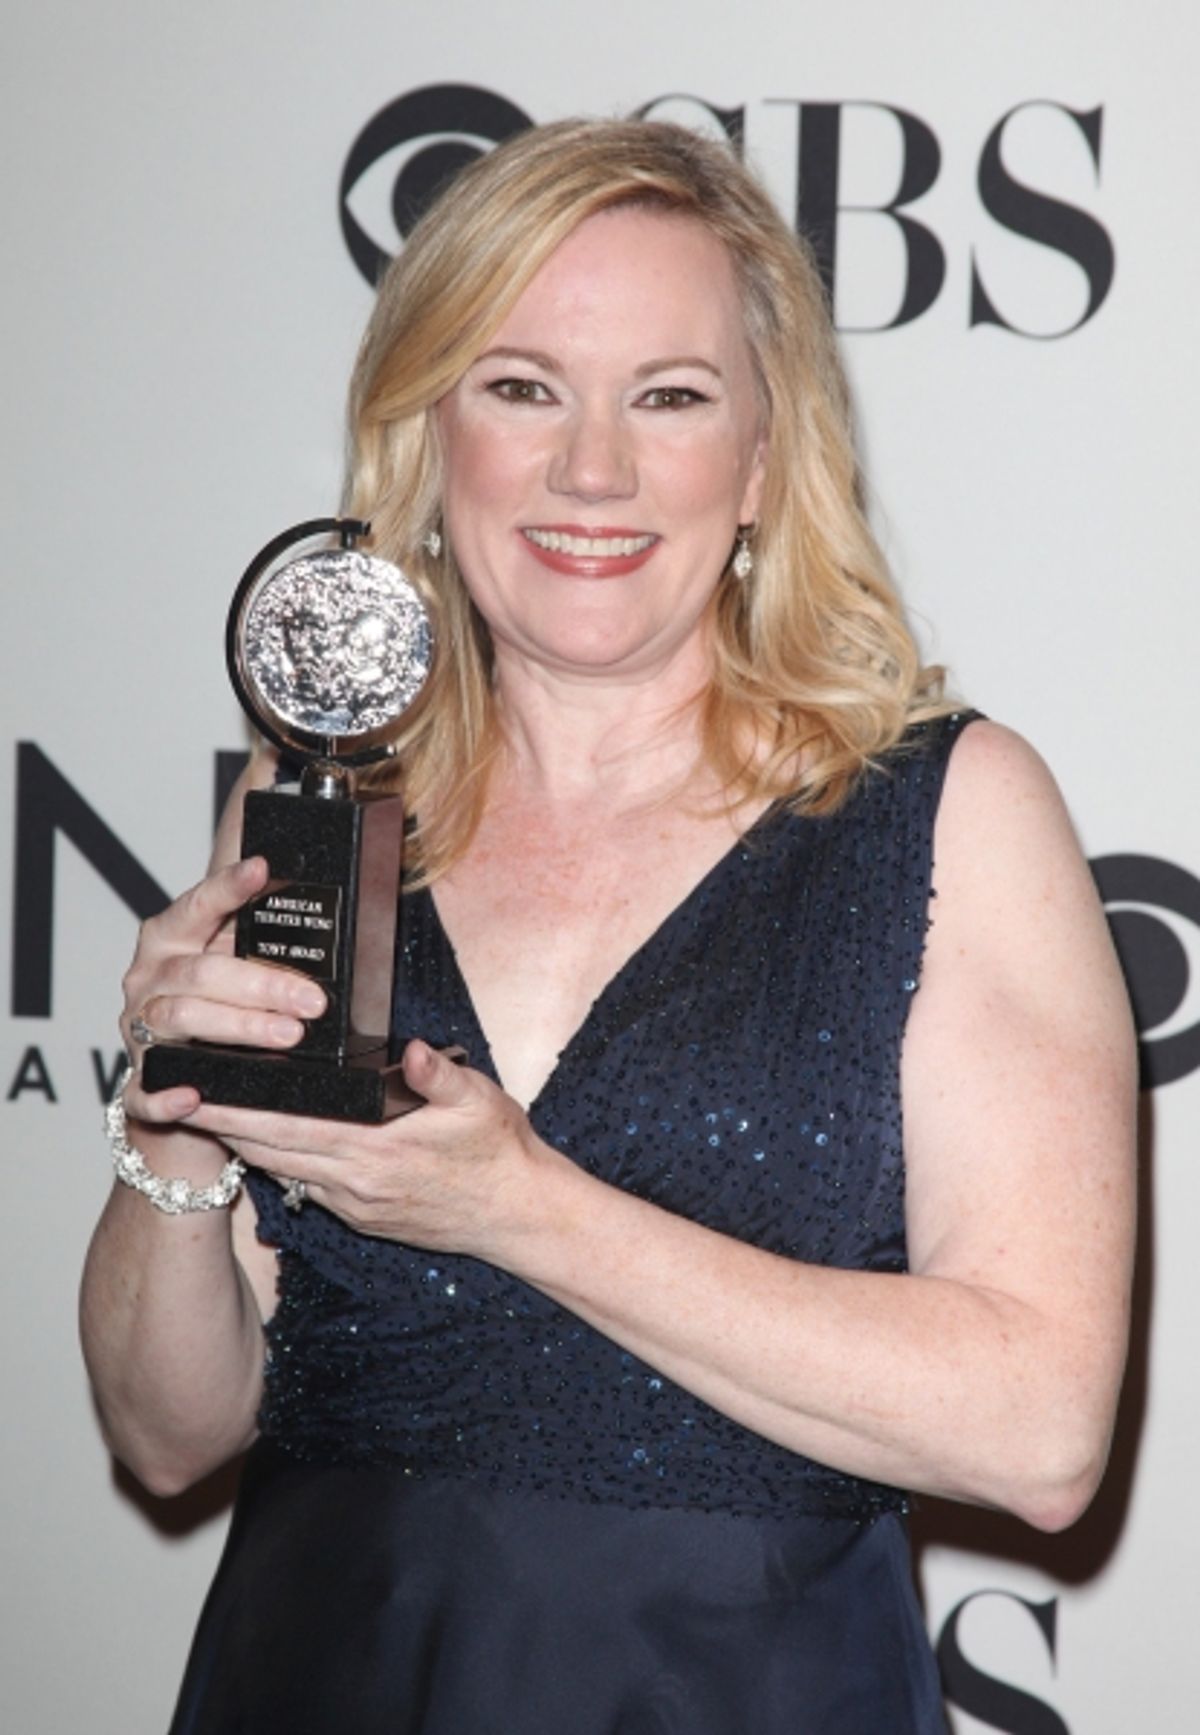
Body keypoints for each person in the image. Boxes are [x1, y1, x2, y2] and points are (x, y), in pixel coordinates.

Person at [80, 119, 1135, 1733]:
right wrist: (174, 1137)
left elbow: (1041, 1430)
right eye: (522, 388)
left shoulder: (944, 814)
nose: (593, 470)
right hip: (328, 1677)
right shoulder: (323, 812)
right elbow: (166, 1436)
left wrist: (524, 1209)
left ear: (767, 461)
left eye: (670, 395)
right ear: (432, 439)